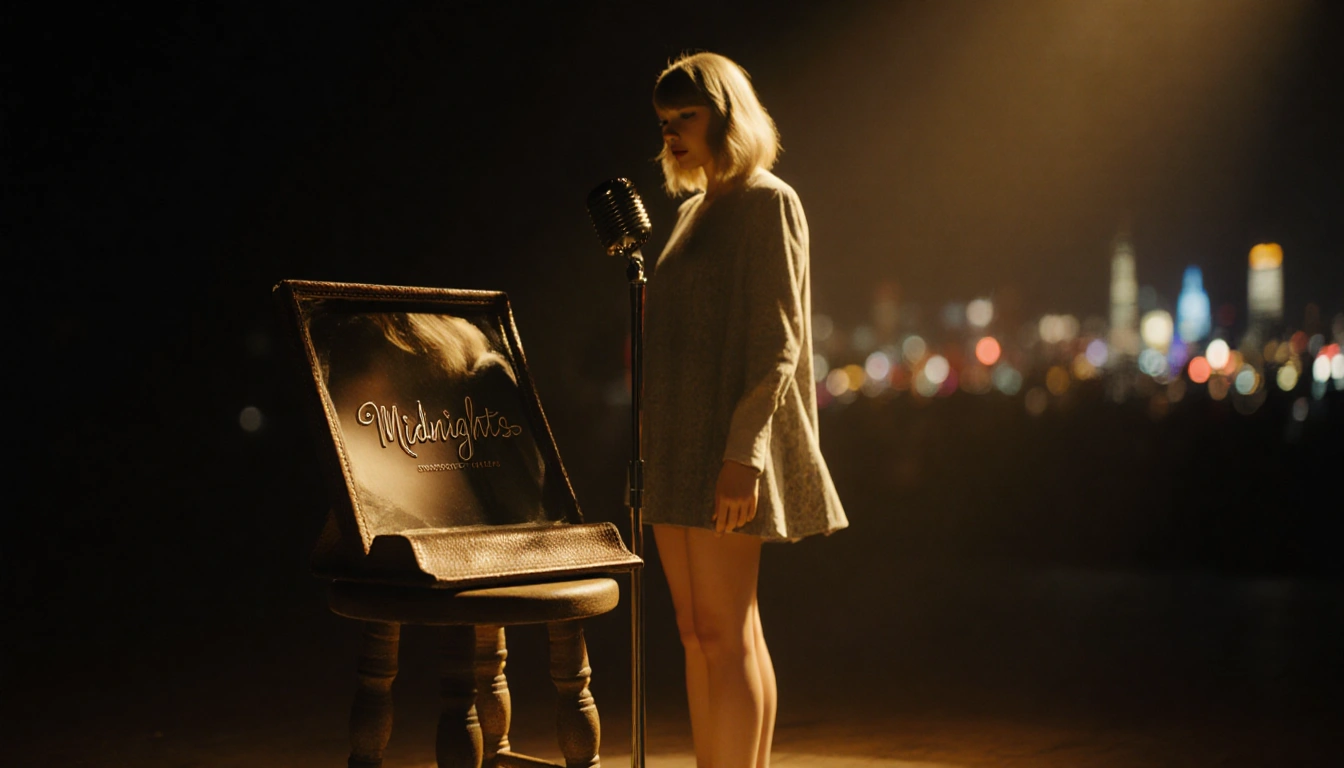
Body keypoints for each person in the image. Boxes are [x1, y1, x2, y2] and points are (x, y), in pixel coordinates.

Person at [643, 51, 849, 768]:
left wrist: (744, 453)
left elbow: (777, 341)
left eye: (687, 115)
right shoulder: (689, 214)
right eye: (664, 120)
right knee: (697, 632)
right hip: (675, 444)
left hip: (726, 444)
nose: (672, 132)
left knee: (726, 631)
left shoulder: (769, 201)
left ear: (727, 116)